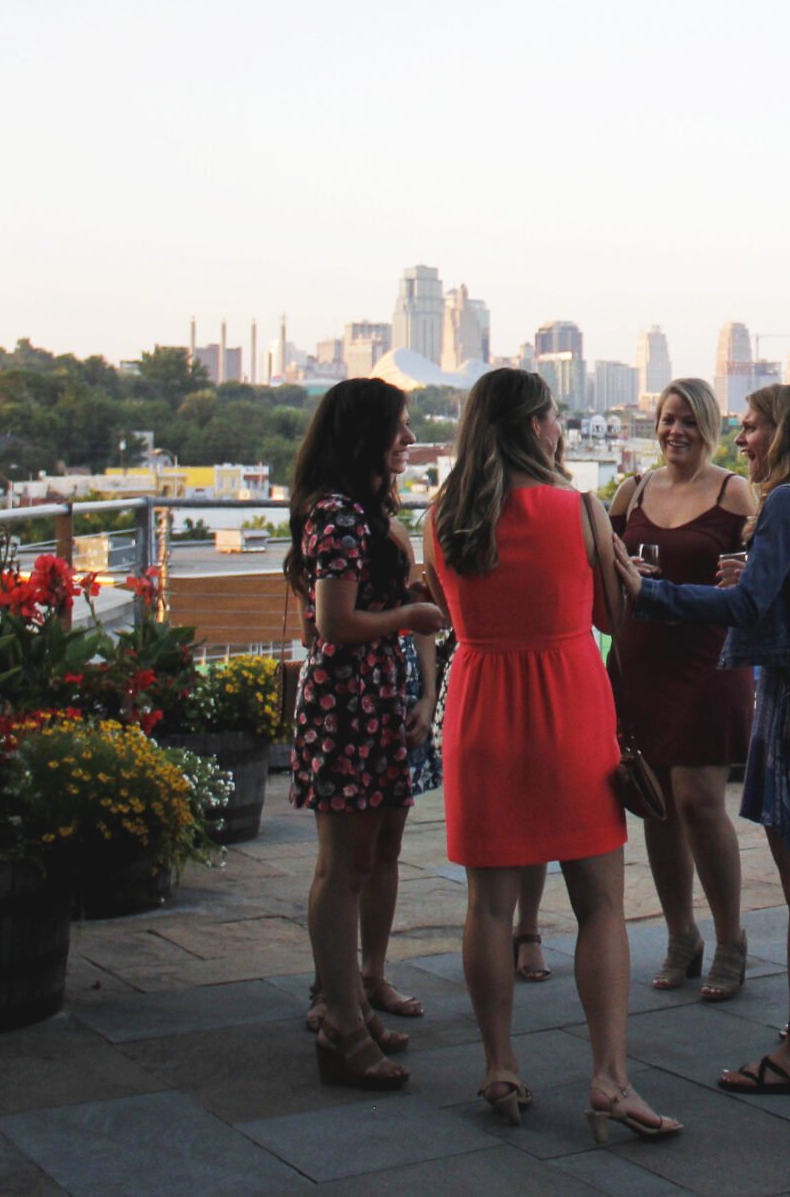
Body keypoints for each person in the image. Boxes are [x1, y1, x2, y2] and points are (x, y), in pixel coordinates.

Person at [425, 368, 679, 1143]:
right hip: (569, 709)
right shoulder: (576, 508)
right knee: (600, 902)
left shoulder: (442, 514)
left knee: (489, 907)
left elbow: (448, 606)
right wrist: (625, 572)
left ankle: (500, 1061)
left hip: (479, 710)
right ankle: (610, 1075)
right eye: (554, 418)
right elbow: (610, 610)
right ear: (537, 425)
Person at [631, 383, 790, 1098]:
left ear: (782, 432)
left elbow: (746, 607)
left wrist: (646, 592)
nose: (741, 439)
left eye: (750, 427)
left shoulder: (782, 503)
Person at [285, 378, 448, 1091]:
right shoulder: (340, 515)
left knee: (367, 856)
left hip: (375, 700)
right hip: (350, 702)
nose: (409, 439)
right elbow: (335, 623)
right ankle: (343, 1025)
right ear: (366, 437)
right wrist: (407, 620)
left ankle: (349, 1001)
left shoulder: (361, 511)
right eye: (399, 428)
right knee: (342, 869)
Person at [607, 377, 757, 998]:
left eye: (689, 421)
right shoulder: (631, 490)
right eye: (668, 420)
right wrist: (619, 568)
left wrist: (747, 568)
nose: (676, 431)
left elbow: (763, 570)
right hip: (641, 661)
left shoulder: (735, 491)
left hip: (709, 661)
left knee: (699, 800)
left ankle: (731, 941)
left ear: (709, 427)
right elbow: (600, 566)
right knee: (656, 803)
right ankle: (680, 935)